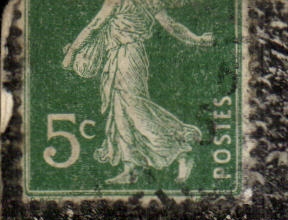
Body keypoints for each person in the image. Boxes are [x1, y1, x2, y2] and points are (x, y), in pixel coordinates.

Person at [62, 0, 215, 185]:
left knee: (135, 110)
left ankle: (181, 150)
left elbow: (94, 25)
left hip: (127, 57)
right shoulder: (150, 3)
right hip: (124, 56)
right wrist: (197, 39)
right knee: (120, 111)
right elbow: (173, 27)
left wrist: (71, 53)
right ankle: (131, 167)